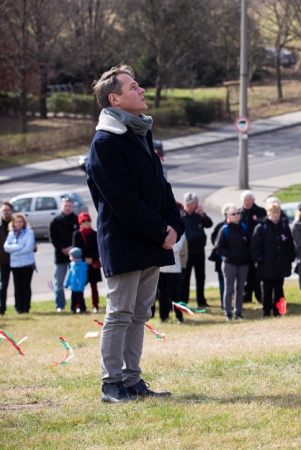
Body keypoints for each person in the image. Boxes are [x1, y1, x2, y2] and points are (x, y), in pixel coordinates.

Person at [87, 64, 185, 402]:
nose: (141, 90)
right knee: (120, 314)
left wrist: (176, 224)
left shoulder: (140, 134)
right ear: (115, 99)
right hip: (126, 242)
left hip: (152, 241)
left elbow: (162, 187)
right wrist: (161, 230)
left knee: (140, 314)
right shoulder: (105, 143)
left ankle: (132, 381)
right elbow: (122, 200)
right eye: (133, 87)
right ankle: (111, 384)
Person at [251, 202, 295, 318]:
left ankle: (280, 312)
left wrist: (290, 257)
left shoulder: (284, 227)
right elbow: (255, 247)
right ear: (268, 213)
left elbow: (289, 243)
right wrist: (260, 259)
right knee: (267, 290)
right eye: (273, 213)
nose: (275, 215)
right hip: (266, 265)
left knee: (279, 289)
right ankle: (266, 312)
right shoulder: (261, 227)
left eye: (277, 212)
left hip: (280, 264)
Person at [216, 203, 252, 321]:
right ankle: (228, 313)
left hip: (243, 263)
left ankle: (238, 312)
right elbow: (219, 248)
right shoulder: (224, 229)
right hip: (229, 264)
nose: (237, 215)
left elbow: (249, 244)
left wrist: (245, 254)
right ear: (228, 216)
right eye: (233, 214)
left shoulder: (244, 227)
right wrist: (232, 255)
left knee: (240, 289)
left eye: (238, 213)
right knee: (229, 289)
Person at [181, 192, 213, 308]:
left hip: (199, 251)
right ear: (188, 204)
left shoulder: (198, 215)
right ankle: (184, 302)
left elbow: (209, 224)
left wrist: (202, 215)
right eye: (195, 203)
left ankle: (201, 301)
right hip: (187, 252)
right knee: (185, 278)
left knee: (200, 277)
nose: (197, 205)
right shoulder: (181, 216)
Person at [49, 197, 78, 312]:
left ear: (72, 207)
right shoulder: (55, 221)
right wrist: (62, 249)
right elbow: (53, 238)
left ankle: (75, 305)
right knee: (59, 283)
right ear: (61, 207)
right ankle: (60, 305)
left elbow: (79, 236)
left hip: (74, 256)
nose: (67, 208)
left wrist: (72, 248)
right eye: (65, 206)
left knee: (74, 282)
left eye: (69, 206)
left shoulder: (77, 220)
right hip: (60, 257)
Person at [3, 213, 35, 314]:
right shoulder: (11, 233)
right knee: (17, 286)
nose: (18, 224)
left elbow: (28, 247)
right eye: (16, 222)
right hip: (15, 264)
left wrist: (15, 250)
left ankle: (26, 307)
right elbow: (6, 247)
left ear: (24, 222)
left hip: (27, 263)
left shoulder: (29, 232)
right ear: (13, 223)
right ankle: (18, 307)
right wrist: (19, 246)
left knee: (26, 285)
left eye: (20, 222)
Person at [72, 212, 102, 314]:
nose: (87, 223)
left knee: (94, 286)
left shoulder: (95, 234)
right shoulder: (77, 234)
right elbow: (76, 249)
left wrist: (92, 258)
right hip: (81, 264)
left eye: (88, 220)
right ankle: (79, 305)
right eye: (84, 221)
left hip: (93, 263)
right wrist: (84, 258)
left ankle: (95, 305)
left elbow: (99, 249)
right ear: (80, 223)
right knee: (80, 285)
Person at [239, 190, 266, 304]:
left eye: (248, 200)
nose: (247, 202)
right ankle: (247, 295)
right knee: (247, 274)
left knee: (257, 274)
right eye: (245, 200)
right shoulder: (239, 212)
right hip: (244, 249)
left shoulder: (260, 212)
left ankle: (259, 295)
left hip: (257, 247)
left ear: (253, 200)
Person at [158, 229, 185, 324]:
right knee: (162, 294)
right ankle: (163, 316)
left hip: (174, 269)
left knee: (175, 294)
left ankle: (179, 316)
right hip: (161, 269)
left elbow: (177, 247)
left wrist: (164, 244)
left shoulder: (179, 230)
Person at [65, 247, 88, 314]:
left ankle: (83, 309)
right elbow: (70, 275)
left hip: (79, 287)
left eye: (70, 256)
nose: (69, 257)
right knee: (73, 299)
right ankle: (73, 309)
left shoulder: (82, 266)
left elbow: (83, 277)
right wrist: (67, 283)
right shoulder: (72, 265)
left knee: (80, 298)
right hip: (73, 286)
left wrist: (81, 286)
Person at [0, 202, 13, 316]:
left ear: (12, 211)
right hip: (2, 260)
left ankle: (21, 307)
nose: (6, 212)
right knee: (2, 285)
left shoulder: (17, 223)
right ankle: (1, 308)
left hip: (17, 260)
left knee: (20, 285)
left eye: (8, 210)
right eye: (4, 210)